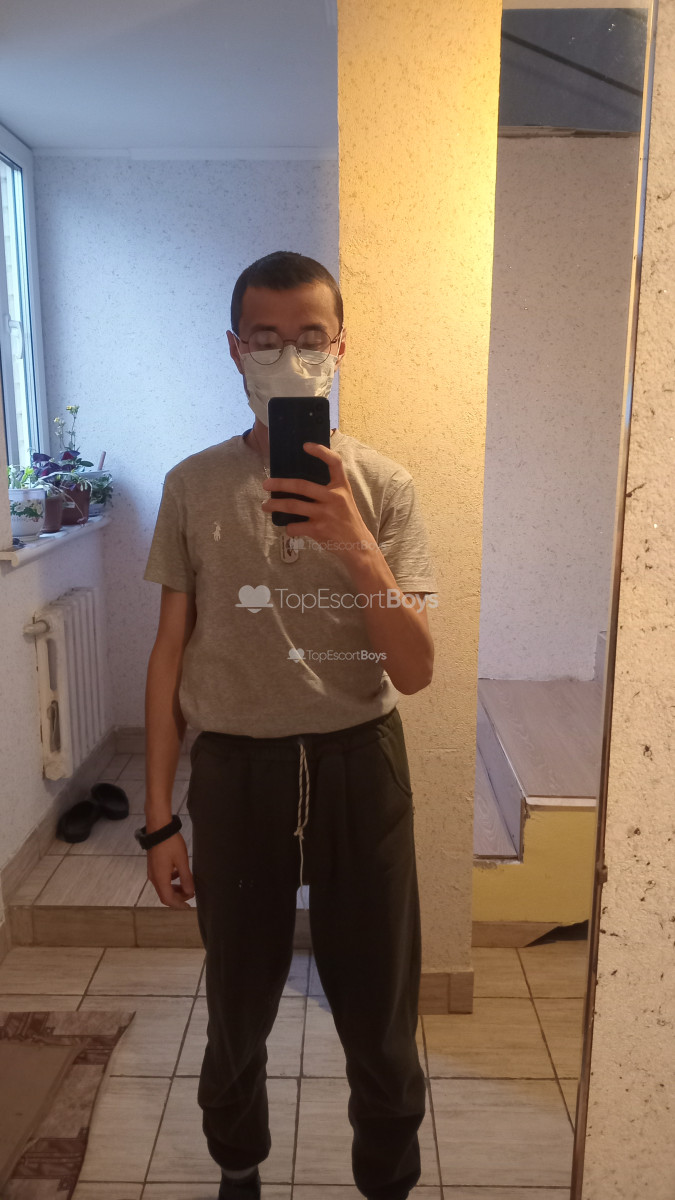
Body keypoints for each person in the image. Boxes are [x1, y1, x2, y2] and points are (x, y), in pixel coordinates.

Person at [141, 250, 439, 1200]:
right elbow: (167, 655)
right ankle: (239, 1168)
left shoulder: (384, 484)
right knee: (237, 1007)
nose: (287, 355)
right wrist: (157, 818)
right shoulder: (191, 485)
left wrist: (353, 542)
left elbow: (416, 670)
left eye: (309, 336)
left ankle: (387, 1179)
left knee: (380, 1014)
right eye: (265, 339)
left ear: (339, 346)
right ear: (234, 349)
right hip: (236, 770)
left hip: (360, 762)